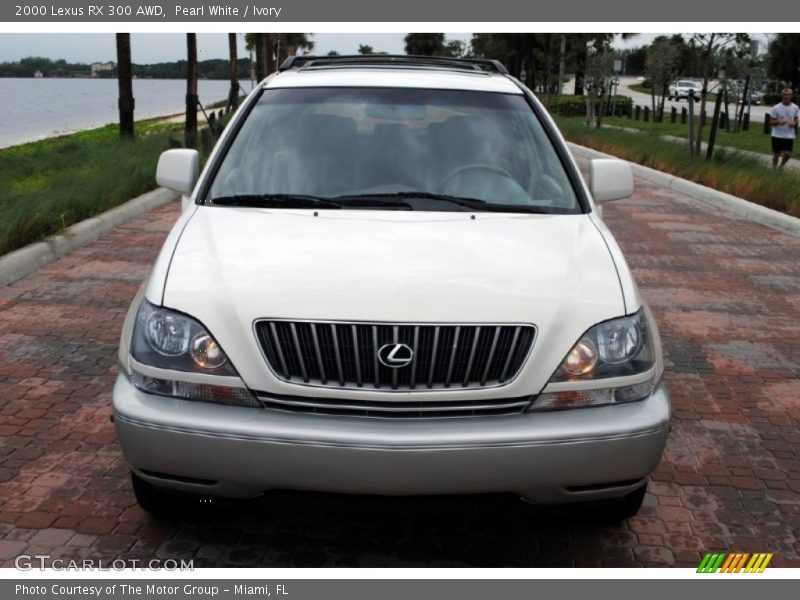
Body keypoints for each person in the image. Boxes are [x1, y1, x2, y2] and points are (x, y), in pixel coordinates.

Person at [770, 88, 800, 168]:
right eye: (785, 95)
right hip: (777, 134)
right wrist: (779, 122)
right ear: (782, 95)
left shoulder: (795, 107)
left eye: (789, 95)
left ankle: (781, 167)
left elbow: (796, 118)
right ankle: (774, 169)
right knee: (776, 154)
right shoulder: (776, 107)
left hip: (789, 135)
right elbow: (771, 122)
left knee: (788, 154)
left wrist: (794, 123)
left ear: (792, 96)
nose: (787, 97)